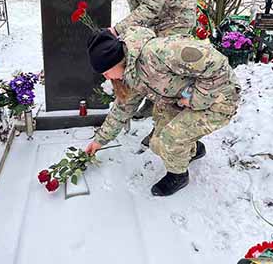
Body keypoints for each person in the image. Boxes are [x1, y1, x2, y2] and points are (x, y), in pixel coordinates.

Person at [85, 27, 240, 196]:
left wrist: (195, 98)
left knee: (169, 139)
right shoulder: (130, 73)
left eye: (106, 73)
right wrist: (99, 141)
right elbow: (122, 109)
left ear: (115, 62)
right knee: (156, 143)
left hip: (219, 98)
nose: (106, 78)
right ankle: (193, 148)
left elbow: (217, 64)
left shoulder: (159, 53)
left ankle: (178, 176)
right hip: (182, 100)